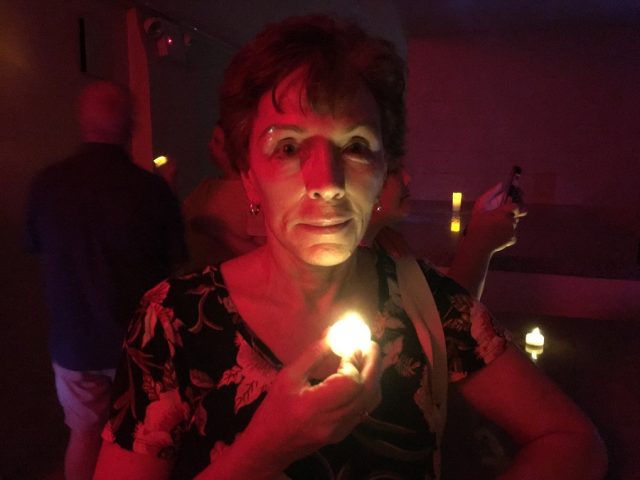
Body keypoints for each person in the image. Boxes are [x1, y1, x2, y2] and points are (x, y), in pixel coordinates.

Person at [94, 15, 607, 480]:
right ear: (249, 176)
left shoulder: (433, 305)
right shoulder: (170, 323)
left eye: (357, 146)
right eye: (289, 147)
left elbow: (574, 442)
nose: (328, 181)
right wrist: (262, 451)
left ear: (384, 171)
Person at [25, 81, 187, 480]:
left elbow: (36, 246)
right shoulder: (151, 191)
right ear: (130, 125)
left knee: (83, 435)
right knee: (139, 443)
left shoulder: (47, 184)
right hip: (136, 345)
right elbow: (176, 267)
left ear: (83, 121)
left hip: (74, 343)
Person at [365, 169, 527, 299]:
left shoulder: (389, 242)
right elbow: (445, 326)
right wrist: (479, 242)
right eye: (393, 168)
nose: (407, 177)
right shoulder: (364, 265)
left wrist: (479, 225)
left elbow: (443, 310)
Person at [182, 124, 265, 269]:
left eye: (217, 141)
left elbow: (262, 254)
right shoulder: (208, 185)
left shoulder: (254, 192)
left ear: (232, 149)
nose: (209, 145)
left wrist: (218, 231)